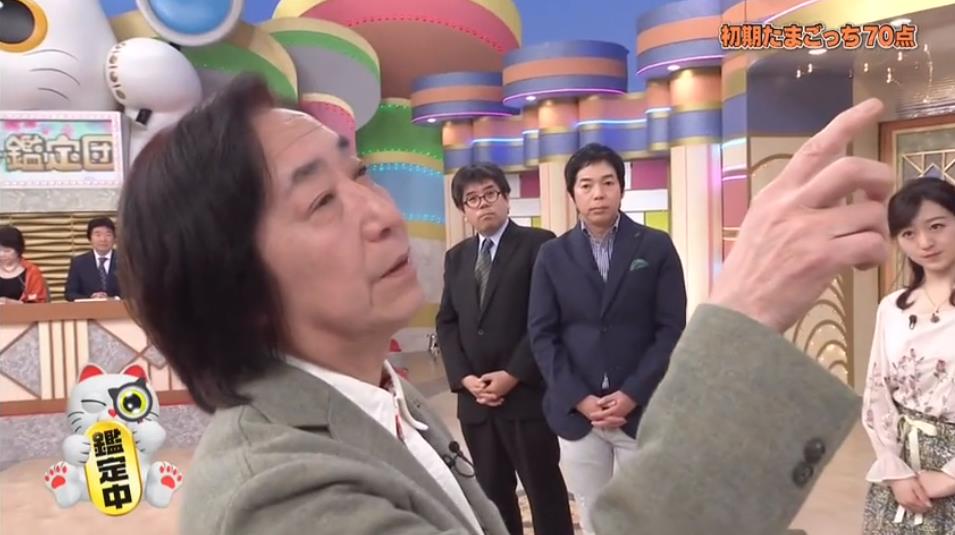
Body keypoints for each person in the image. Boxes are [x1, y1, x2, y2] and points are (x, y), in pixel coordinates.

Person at [118, 75, 888, 535]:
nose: (381, 213)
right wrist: (742, 319)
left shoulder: (382, 401)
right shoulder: (280, 498)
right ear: (235, 287)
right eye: (321, 200)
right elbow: (515, 327)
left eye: (357, 174)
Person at [527, 143, 687, 533]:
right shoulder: (552, 254)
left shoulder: (655, 246)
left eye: (607, 182)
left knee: (646, 516)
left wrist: (631, 393)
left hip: (641, 408)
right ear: (573, 194)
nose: (598, 194)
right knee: (594, 514)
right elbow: (542, 335)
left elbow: (671, 329)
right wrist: (580, 398)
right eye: (586, 185)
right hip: (578, 414)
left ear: (621, 188)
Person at [436, 162, 573, 535]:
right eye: (472, 199)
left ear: (506, 199)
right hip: (476, 403)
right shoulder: (457, 257)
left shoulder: (539, 244)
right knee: (492, 498)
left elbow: (550, 317)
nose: (483, 204)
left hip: (526, 397)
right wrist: (464, 378)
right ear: (463, 211)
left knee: (544, 493)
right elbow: (447, 321)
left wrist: (513, 374)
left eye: (490, 194)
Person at [861, 177, 955, 533]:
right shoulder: (893, 308)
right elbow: (877, 392)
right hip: (903, 471)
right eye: (908, 233)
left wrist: (950, 476)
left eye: (937, 226)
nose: (925, 243)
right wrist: (894, 471)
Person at [64, 217, 122, 301]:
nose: (103, 239)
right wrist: (91, 299)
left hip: (119, 308)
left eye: (108, 235)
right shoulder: (78, 263)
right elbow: (70, 293)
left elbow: (135, 291)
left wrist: (115, 299)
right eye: (98, 235)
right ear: (90, 238)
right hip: (88, 308)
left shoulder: (126, 261)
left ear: (114, 238)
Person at [0, 225, 48, 304]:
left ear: (18, 250)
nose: (1, 254)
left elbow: (38, 303)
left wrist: (11, 303)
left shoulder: (32, 271)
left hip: (23, 312)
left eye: (7, 251)